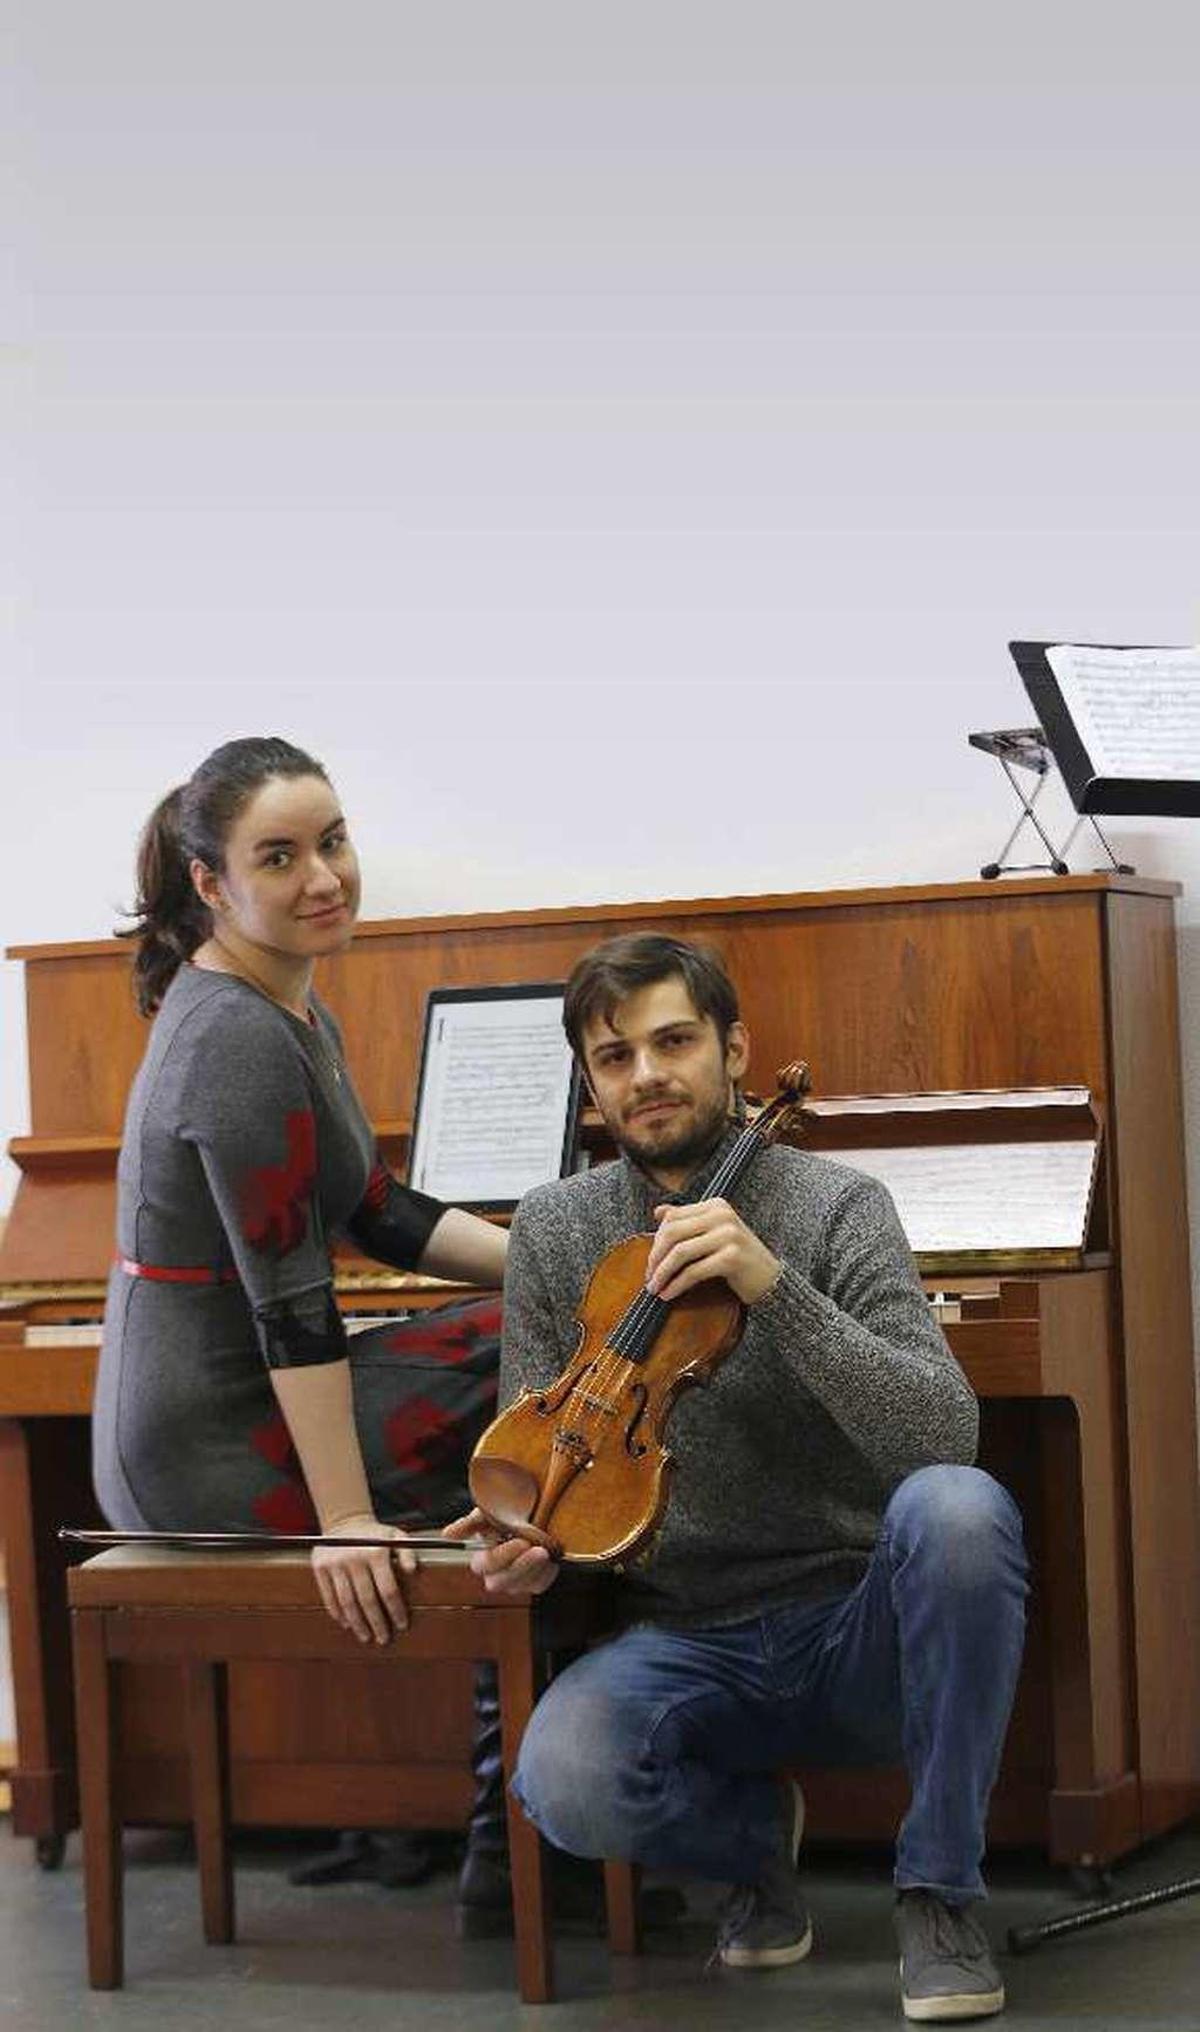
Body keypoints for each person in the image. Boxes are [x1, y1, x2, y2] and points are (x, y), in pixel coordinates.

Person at [451, 932, 1028, 2022]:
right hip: (682, 1640)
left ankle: (941, 1892)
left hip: (858, 1630)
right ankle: (753, 1846)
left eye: (674, 1041)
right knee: (562, 1776)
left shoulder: (835, 1205)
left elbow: (943, 1429)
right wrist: (525, 1551)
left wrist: (773, 1287)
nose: (647, 1074)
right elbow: (544, 1471)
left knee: (959, 1509)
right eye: (615, 1056)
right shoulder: (558, 1229)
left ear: (733, 1048)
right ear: (591, 1081)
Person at [93, 734, 507, 1895]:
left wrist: (562, 1267)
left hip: (229, 1410)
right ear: (212, 884)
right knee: (546, 1372)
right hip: (205, 1450)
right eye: (279, 857)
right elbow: (291, 1304)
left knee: (558, 1339)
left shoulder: (289, 1005)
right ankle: (516, 1838)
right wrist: (345, 1518)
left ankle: (513, 1818)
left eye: (332, 842)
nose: (323, 877)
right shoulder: (236, 1040)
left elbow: (375, 1210)